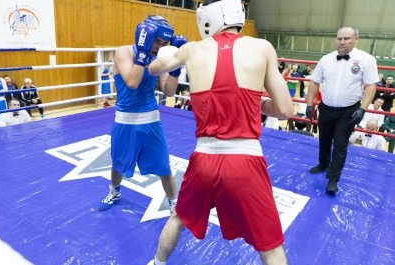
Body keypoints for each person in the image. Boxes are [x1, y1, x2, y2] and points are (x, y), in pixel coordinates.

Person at [148, 0, 293, 264]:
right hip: (245, 163)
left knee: (177, 218)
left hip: (205, 159)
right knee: (270, 246)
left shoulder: (191, 50)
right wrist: (256, 103)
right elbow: (285, 109)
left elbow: (154, 68)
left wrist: (173, 54)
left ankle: (157, 263)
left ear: (208, 19)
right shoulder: (262, 47)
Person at [97, 16, 185, 213]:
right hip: (124, 121)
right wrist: (143, 54)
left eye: (163, 43)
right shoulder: (123, 52)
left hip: (151, 121)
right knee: (118, 163)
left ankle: (174, 203)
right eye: (156, 41)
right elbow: (132, 82)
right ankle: (115, 191)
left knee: (164, 167)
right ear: (145, 36)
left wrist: (175, 69)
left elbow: (169, 91)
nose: (158, 47)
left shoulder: (158, 59)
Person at [305, 26, 378, 194]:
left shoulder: (366, 59)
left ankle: (333, 178)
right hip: (326, 108)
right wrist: (310, 104)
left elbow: (371, 85)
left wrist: (363, 109)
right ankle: (323, 163)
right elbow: (314, 82)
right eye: (339, 38)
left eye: (347, 38)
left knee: (340, 144)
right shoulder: (326, 59)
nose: (342, 42)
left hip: (348, 111)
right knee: (323, 139)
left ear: (356, 39)